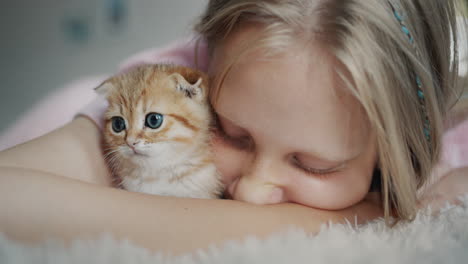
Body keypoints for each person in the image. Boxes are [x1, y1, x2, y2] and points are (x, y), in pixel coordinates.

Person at [0, 0, 467, 256]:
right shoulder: (182, 78)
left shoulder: (447, 148)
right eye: (230, 132)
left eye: (313, 165)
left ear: (398, 152)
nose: (252, 191)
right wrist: (355, 216)